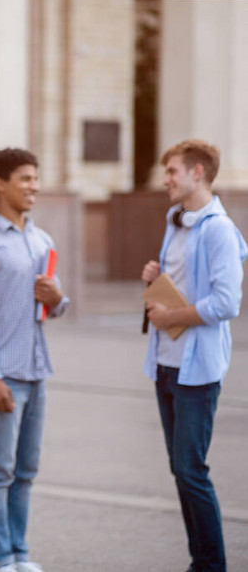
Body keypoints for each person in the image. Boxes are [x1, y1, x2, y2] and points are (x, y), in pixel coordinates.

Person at [0, 148, 69, 572]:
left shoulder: (42, 240)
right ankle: (0, 558)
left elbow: (55, 307)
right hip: (2, 375)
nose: (34, 186)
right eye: (25, 178)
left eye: (36, 178)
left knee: (26, 469)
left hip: (37, 370)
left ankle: (20, 553)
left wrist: (57, 299)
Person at [141, 139, 246, 572]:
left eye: (172, 172)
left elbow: (227, 303)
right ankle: (201, 561)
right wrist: (157, 277)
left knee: (191, 470)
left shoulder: (219, 229)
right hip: (166, 364)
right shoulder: (177, 221)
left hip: (197, 370)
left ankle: (211, 564)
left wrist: (170, 315)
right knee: (181, 471)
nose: (165, 180)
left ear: (197, 173)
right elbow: (188, 283)